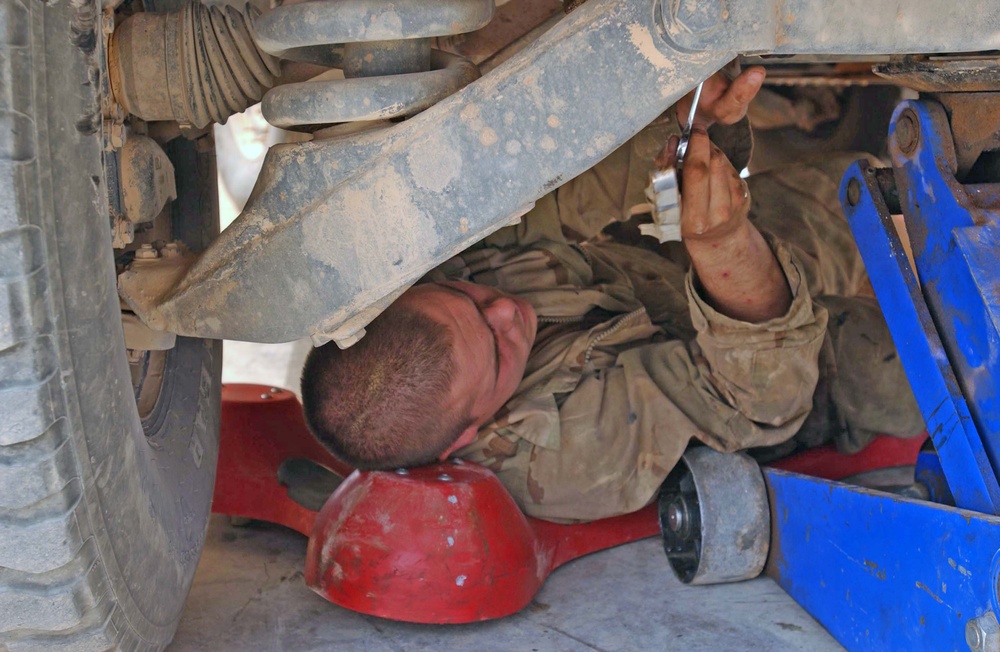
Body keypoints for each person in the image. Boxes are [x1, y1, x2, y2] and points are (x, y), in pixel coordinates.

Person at [300, 68, 924, 522]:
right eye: (495, 344)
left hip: (682, 265)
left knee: (881, 185)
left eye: (467, 298)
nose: (507, 309)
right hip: (798, 374)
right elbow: (761, 400)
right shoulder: (565, 460)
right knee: (964, 363)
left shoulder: (430, 280)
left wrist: (684, 131)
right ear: (468, 435)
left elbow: (565, 203)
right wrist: (727, 250)